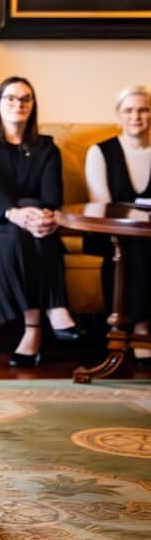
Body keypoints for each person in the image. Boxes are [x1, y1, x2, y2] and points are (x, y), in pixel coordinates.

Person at [0, 77, 82, 369]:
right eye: (11, 98)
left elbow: (52, 196)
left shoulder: (46, 148)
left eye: (26, 99)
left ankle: (34, 333)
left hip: (32, 224)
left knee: (38, 225)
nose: (19, 104)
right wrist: (14, 213)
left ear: (33, 106)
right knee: (25, 229)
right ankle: (51, 312)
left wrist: (43, 216)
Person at [84, 85, 151, 367]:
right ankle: (140, 327)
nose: (136, 116)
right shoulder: (100, 152)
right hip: (112, 235)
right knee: (132, 247)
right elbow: (103, 205)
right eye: (129, 110)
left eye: (144, 110)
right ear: (118, 116)